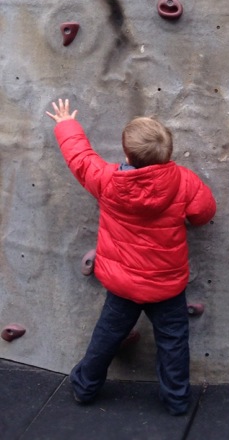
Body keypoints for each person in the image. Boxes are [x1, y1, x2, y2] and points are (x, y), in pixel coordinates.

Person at [46, 98, 217, 415]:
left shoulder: (108, 181)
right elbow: (203, 213)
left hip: (122, 285)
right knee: (173, 343)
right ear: (168, 153)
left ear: (126, 154)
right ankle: (177, 400)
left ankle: (84, 387)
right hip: (166, 286)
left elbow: (81, 159)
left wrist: (66, 123)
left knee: (106, 337)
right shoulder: (183, 181)